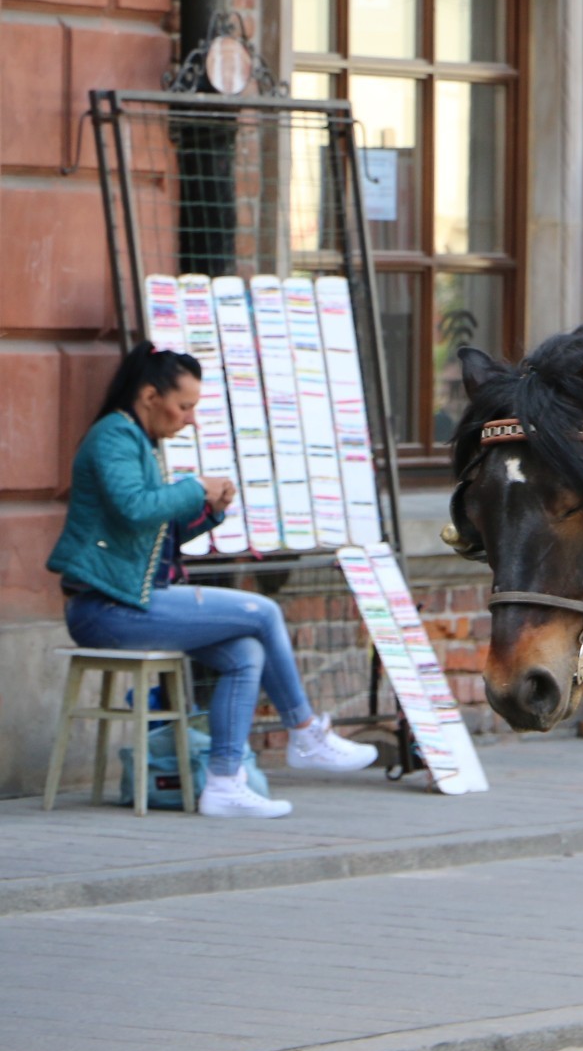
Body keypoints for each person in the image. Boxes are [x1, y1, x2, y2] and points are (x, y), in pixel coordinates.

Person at [45, 344, 379, 818]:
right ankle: (304, 731)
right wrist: (193, 486)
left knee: (247, 653)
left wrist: (208, 512)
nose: (191, 420)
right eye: (185, 407)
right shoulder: (114, 438)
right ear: (148, 396)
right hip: (105, 610)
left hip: (131, 601)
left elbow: (150, 531)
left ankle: (223, 783)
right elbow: (136, 508)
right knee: (262, 611)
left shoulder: (137, 440)